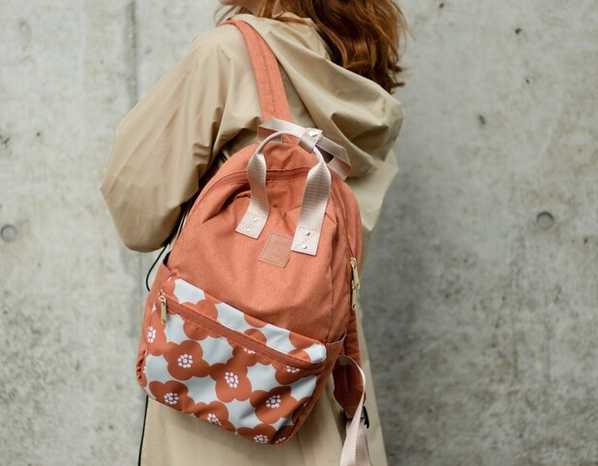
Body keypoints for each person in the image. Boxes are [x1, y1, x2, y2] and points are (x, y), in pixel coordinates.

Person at [101, 1, 408, 464]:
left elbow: (137, 215)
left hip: (220, 370)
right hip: (317, 371)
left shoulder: (229, 55)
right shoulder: (362, 85)